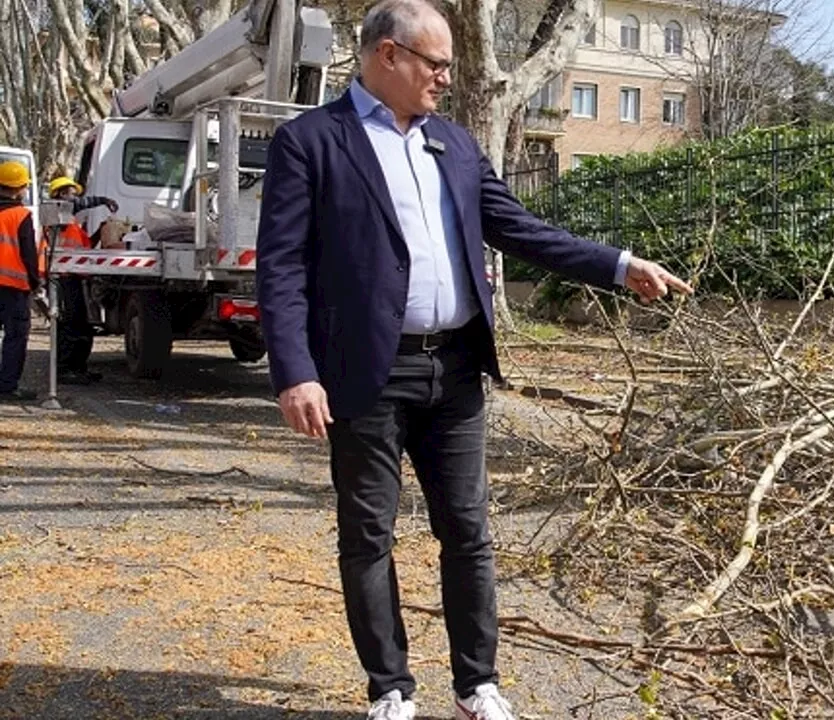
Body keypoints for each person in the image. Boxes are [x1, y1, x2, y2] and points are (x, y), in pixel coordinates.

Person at [254, 1, 692, 718]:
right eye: (436, 64)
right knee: (368, 533)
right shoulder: (312, 142)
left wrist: (617, 264)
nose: (446, 79)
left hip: (454, 369)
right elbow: (281, 267)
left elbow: (519, 229)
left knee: (468, 529)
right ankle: (390, 689)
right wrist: (295, 371)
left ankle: (475, 685)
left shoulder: (454, 145)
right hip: (365, 374)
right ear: (389, 55)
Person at [46, 176, 118, 384]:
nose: (74, 197)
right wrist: (103, 200)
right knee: (71, 324)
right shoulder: (56, 214)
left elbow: (86, 247)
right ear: (59, 195)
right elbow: (78, 204)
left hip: (76, 276)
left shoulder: (73, 224)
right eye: (70, 192)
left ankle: (78, 367)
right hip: (63, 277)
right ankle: (65, 369)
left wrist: (101, 230)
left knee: (83, 325)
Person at [0, 161, 40, 402]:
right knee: (15, 336)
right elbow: (28, 253)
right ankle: (7, 386)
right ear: (21, 187)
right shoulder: (21, 215)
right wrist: (36, 282)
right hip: (13, 288)